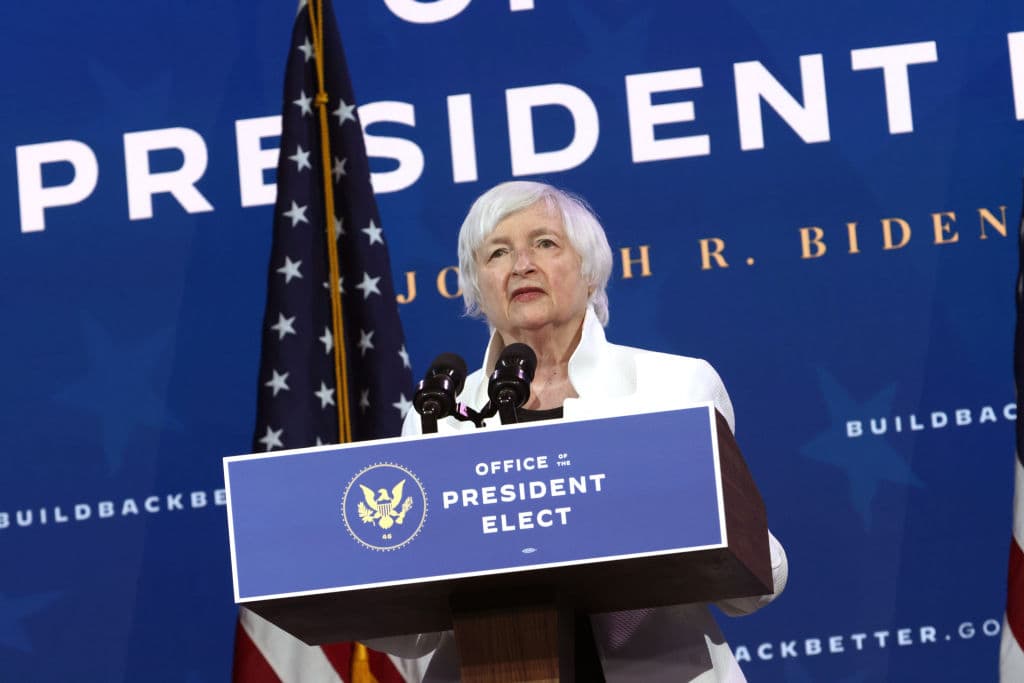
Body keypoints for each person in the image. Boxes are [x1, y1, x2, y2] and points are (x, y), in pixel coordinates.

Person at [370, 180, 789, 682]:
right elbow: (409, 634)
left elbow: (756, 587)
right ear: (476, 288)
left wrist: (700, 520)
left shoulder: (675, 385)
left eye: (545, 243)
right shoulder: (438, 413)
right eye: (498, 253)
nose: (522, 264)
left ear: (590, 274)